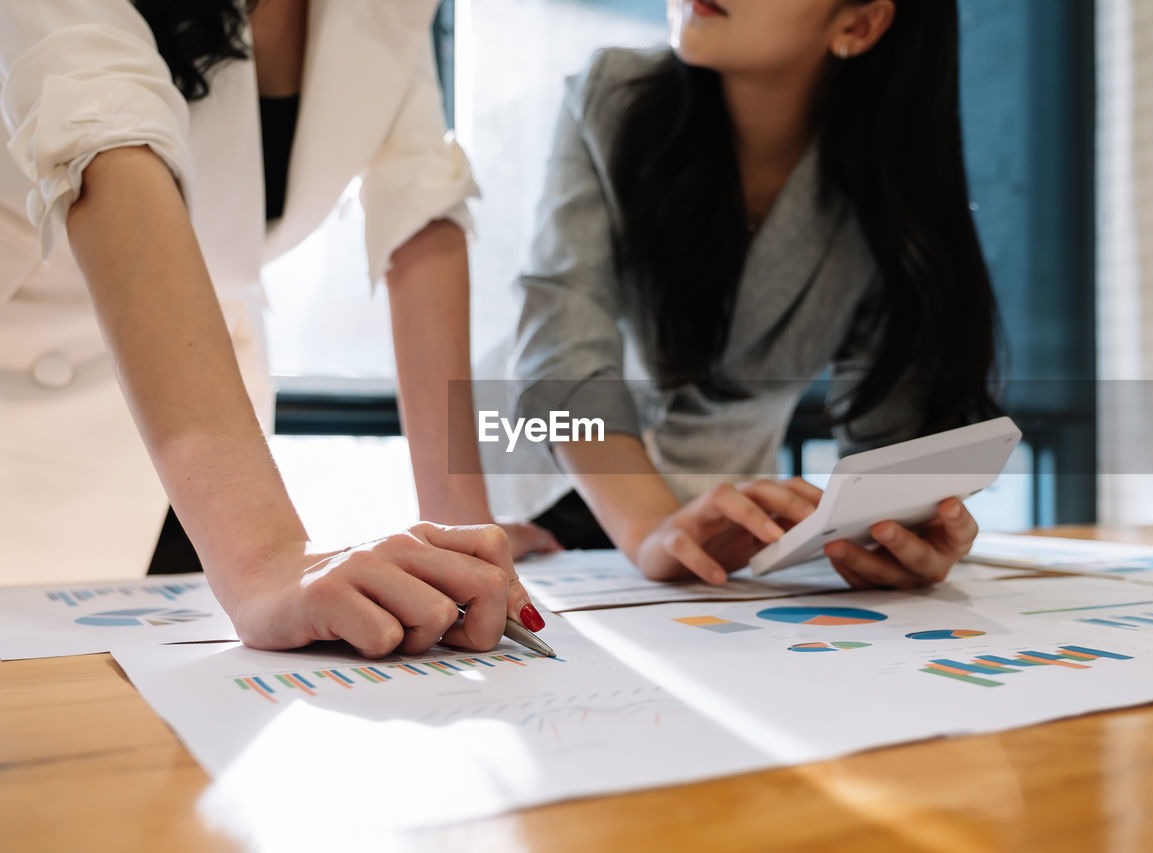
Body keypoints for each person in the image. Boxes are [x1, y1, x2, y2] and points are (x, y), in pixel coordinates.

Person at [0, 0, 553, 657]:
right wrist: (267, 554)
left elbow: (419, 203)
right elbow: (108, 147)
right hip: (32, 427)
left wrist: (465, 531)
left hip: (197, 451)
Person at [507, 0, 1001, 589]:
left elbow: (889, 450)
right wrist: (650, 529)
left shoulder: (883, 196)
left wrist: (903, 533)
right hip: (545, 505)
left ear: (858, 24)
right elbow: (561, 342)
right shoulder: (615, 97)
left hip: (727, 534)